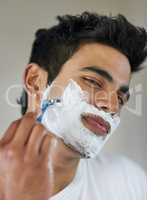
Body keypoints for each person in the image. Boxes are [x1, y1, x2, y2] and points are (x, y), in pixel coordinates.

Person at [0, 12, 147, 200]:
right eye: (93, 81)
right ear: (35, 81)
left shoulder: (129, 181)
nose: (111, 106)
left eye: (120, 98)